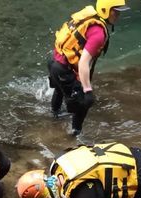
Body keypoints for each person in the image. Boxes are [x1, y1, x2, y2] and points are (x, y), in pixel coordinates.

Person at [49, 0, 130, 136]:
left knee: (60, 89)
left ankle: (53, 115)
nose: (117, 15)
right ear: (105, 10)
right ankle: (75, 135)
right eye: (115, 12)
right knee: (83, 103)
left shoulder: (89, 17)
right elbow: (83, 63)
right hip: (63, 69)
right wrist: (87, 91)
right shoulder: (98, 34)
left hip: (54, 60)